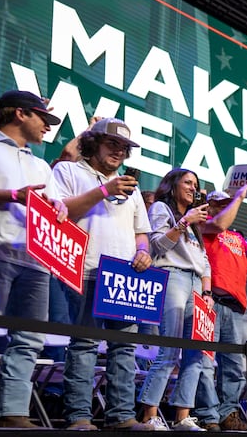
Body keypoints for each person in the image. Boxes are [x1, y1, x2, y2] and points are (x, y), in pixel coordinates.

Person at [0, 90, 67, 428]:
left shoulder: (39, 164)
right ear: (20, 114)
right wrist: (12, 195)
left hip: (36, 258)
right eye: (43, 118)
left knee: (30, 338)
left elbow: (52, 205)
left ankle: (14, 412)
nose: (47, 126)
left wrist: (59, 208)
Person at [48, 117, 153, 431]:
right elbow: (61, 212)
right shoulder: (68, 170)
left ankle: (121, 416)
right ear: (94, 143)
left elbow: (141, 233)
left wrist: (143, 251)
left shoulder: (130, 188)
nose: (119, 152)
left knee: (124, 348)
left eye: (123, 148)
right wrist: (104, 190)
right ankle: (79, 416)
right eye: (112, 144)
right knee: (84, 345)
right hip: (85, 269)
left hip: (125, 276)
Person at [137, 168, 215, 431]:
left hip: (196, 285)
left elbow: (204, 261)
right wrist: (183, 222)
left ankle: (182, 417)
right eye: (188, 183)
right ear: (173, 185)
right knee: (169, 348)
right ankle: (149, 415)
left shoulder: (195, 225)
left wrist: (207, 292)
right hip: (172, 277)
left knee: (196, 355)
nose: (193, 188)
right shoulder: (162, 209)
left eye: (196, 184)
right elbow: (157, 244)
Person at [195, 186, 247, 431]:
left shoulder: (235, 235)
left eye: (227, 203)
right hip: (210, 300)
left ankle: (228, 412)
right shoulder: (205, 226)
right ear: (209, 205)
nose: (225, 207)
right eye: (220, 203)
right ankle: (208, 413)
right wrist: (240, 197)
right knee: (204, 360)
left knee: (232, 364)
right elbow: (220, 224)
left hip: (233, 306)